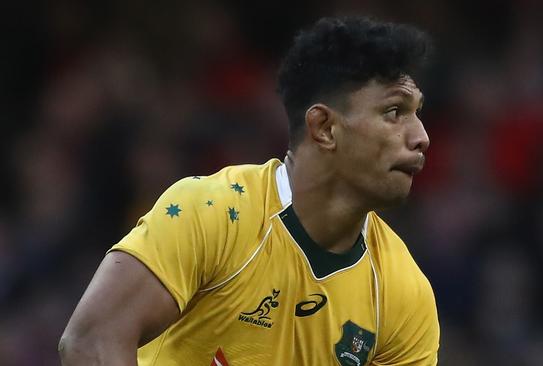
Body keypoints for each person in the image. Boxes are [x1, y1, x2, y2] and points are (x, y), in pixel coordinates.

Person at [59, 16, 439, 365]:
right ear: (324, 127)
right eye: (394, 112)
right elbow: (91, 340)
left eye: (418, 112)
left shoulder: (403, 293)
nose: (421, 137)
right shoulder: (211, 211)